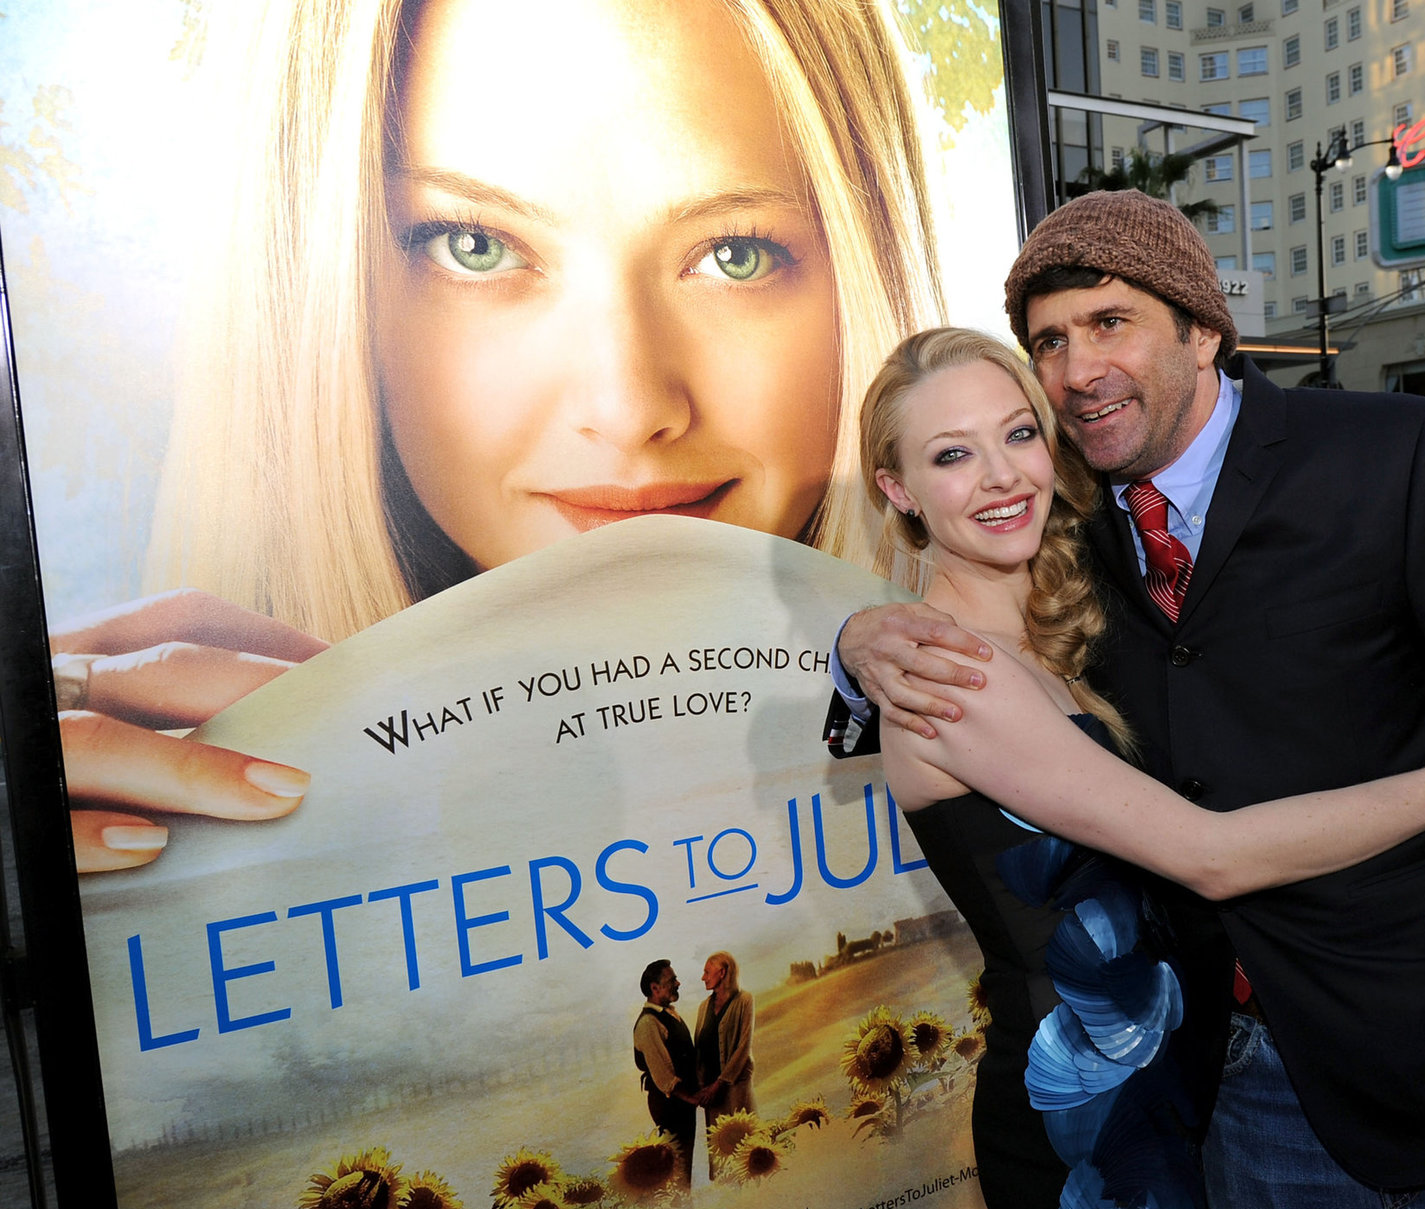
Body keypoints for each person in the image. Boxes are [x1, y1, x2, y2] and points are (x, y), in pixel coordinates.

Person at [831, 191, 1425, 1209]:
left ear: (1201, 331)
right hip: (1245, 1101)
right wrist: (854, 649)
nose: (1075, 368)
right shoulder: (1073, 534)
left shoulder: (1388, 456)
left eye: (1111, 323)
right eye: (1049, 340)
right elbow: (982, 687)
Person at [48, 0, 944, 872]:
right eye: (473, 245)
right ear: (319, 289)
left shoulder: (1006, 694)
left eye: (733, 255)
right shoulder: (148, 794)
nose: (628, 406)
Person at [858, 325, 1425, 1209]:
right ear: (899, 489)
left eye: (1019, 434)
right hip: (1088, 1124)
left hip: (1180, 1085)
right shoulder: (953, 674)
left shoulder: (1060, 630)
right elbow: (1210, 854)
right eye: (952, 455)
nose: (1001, 476)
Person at [633, 959, 699, 1191]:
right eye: (672, 980)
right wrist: (691, 1097)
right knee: (677, 1166)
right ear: (655, 987)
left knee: (684, 1162)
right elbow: (663, 1075)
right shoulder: (648, 1023)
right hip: (671, 1105)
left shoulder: (668, 1014)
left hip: (681, 1103)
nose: (677, 983)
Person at [693, 949, 757, 1178]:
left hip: (734, 1088)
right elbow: (698, 1048)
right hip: (710, 1094)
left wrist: (720, 1083)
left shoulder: (744, 1000)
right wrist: (701, 1087)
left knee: (744, 1147)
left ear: (722, 973)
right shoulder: (703, 1008)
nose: (703, 977)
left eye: (707, 972)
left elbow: (743, 1047)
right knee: (720, 1156)